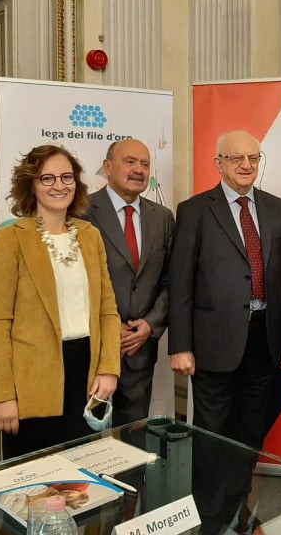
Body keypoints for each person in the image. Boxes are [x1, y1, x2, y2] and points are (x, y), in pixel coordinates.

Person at [168, 130, 281, 532]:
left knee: (249, 432)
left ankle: (238, 507)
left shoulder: (279, 209)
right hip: (212, 343)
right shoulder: (193, 210)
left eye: (253, 158)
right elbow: (181, 281)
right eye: (236, 158)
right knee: (211, 434)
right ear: (218, 163)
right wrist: (181, 345)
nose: (246, 165)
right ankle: (208, 518)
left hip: (265, 337)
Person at [0, 145, 120, 460]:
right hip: (32, 380)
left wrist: (108, 368)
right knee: (35, 490)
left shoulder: (90, 236)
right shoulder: (11, 239)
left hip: (87, 375)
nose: (59, 186)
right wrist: (1, 395)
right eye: (47, 178)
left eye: (66, 177)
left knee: (84, 484)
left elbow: (107, 312)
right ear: (31, 184)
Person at [83, 139, 174, 427]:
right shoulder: (81, 211)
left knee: (133, 434)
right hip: (92, 346)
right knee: (83, 436)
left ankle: (131, 476)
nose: (138, 170)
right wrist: (109, 327)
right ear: (107, 167)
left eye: (145, 164)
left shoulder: (162, 217)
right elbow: (76, 282)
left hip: (139, 346)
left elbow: (172, 279)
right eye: (130, 162)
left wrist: (150, 325)